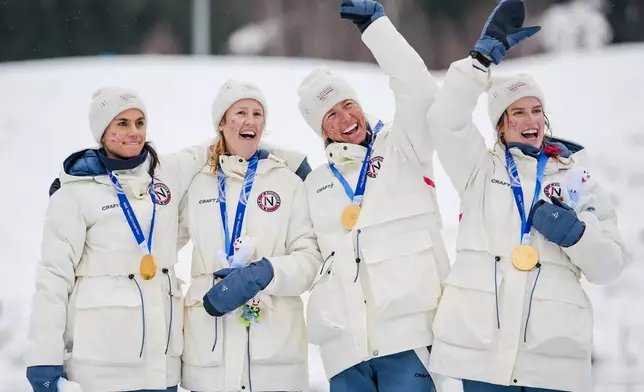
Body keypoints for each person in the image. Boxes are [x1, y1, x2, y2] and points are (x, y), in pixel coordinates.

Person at [426, 1, 626, 391]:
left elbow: (610, 267)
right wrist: (480, 61)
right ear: (500, 127)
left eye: (536, 110)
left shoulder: (577, 182)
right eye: (516, 113)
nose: (530, 120)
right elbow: (444, 120)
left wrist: (578, 237)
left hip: (552, 357)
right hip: (483, 353)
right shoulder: (478, 170)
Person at [296, 1, 451, 391]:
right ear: (322, 130)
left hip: (409, 336)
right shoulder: (315, 183)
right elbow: (308, 255)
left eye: (348, 104)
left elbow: (419, 91)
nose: (345, 118)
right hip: (345, 346)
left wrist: (376, 29)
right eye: (330, 114)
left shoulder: (402, 145)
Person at [25, 87, 210, 392]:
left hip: (161, 367)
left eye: (139, 122)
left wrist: (292, 161)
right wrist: (43, 359)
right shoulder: (75, 193)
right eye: (122, 124)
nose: (134, 132)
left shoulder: (167, 173)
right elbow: (53, 277)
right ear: (103, 130)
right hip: (101, 367)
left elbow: (225, 141)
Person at [179, 80, 322, 392]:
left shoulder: (288, 183)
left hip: (275, 359)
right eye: (240, 112)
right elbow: (156, 239)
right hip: (209, 357)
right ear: (221, 123)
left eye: (257, 114)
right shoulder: (197, 184)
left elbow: (312, 260)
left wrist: (268, 272)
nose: (250, 120)